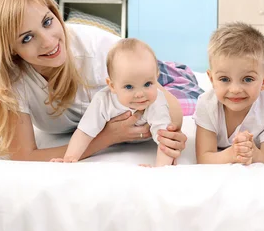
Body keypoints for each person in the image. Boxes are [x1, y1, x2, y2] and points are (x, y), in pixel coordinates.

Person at [0, 0, 187, 161]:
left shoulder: (101, 50)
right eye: (26, 38)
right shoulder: (14, 80)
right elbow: (24, 156)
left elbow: (170, 110)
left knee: (176, 76)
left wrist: (170, 133)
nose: (48, 41)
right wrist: (107, 137)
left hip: (153, 70)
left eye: (47, 22)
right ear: (10, 50)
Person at [51, 38, 176, 167]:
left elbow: (165, 141)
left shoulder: (156, 101)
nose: (140, 94)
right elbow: (84, 132)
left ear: (157, 78)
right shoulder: (103, 100)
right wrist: (69, 159)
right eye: (129, 87)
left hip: (144, 138)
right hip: (113, 139)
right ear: (112, 86)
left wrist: (160, 169)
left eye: (148, 84)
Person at [195, 22, 264, 165]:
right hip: (257, 94)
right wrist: (232, 153)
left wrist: (255, 154)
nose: (235, 89)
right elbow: (204, 158)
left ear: (263, 81)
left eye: (247, 79)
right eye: (224, 79)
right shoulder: (206, 104)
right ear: (211, 79)